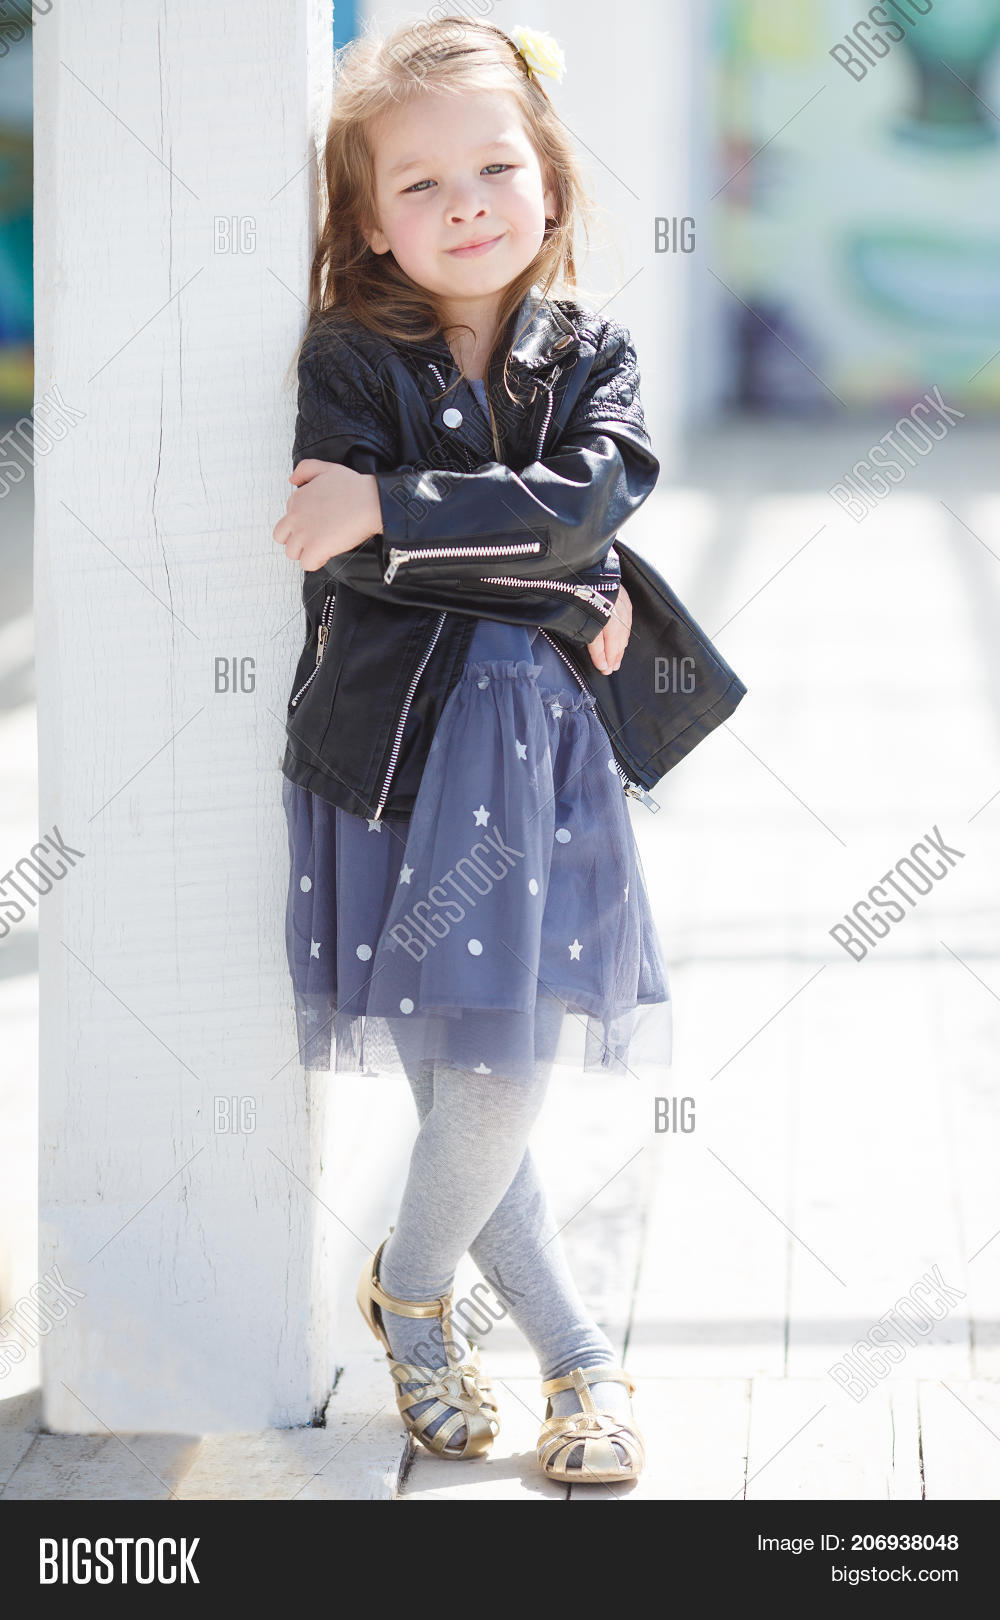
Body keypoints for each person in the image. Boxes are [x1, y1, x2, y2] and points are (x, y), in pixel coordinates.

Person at [272, 16, 672, 1486]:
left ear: (549, 178)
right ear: (372, 219)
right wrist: (561, 583)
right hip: (390, 761)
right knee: (471, 1085)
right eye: (421, 184)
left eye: (496, 167)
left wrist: (401, 511)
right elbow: (338, 554)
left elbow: (594, 499)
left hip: (536, 773)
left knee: (500, 1073)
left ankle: (417, 1289)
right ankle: (579, 1360)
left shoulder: (594, 355)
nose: (466, 205)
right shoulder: (350, 357)